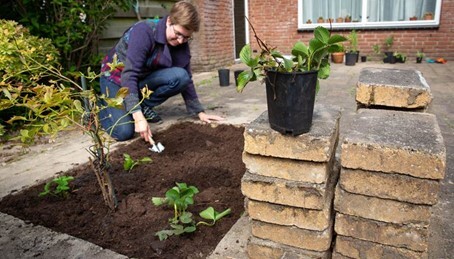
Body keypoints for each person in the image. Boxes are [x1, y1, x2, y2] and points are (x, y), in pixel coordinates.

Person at [99, 1, 224, 143]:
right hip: (117, 78)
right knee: (124, 132)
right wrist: (138, 117)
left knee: (180, 76)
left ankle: (141, 105)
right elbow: (129, 75)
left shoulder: (181, 43)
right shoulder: (144, 32)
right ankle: (100, 107)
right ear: (169, 21)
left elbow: (186, 77)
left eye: (186, 37)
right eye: (178, 34)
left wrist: (200, 112)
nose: (181, 40)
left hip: (142, 79)